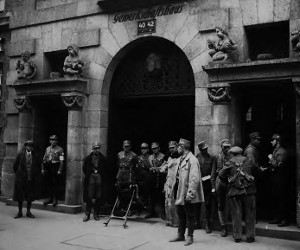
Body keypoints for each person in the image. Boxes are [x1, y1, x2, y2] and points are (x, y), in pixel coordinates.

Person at [169, 138, 204, 246]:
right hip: (180, 192)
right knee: (181, 215)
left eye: (179, 146)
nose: (177, 148)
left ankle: (190, 236)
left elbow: (194, 179)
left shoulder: (192, 160)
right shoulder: (181, 158)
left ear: (183, 148)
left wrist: (190, 194)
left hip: (187, 193)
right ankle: (180, 235)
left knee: (190, 215)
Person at [219, 146, 256, 243]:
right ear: (241, 152)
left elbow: (221, 174)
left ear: (232, 153)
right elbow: (256, 171)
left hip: (235, 191)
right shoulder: (249, 160)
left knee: (236, 215)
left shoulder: (229, 162)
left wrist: (228, 181)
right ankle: (250, 236)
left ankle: (237, 236)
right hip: (249, 191)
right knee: (250, 214)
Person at [82, 142, 108, 222]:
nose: (96, 150)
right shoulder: (88, 158)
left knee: (98, 196)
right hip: (91, 177)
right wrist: (89, 174)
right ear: (92, 149)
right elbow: (84, 168)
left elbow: (106, 169)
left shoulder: (103, 158)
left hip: (99, 177)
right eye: (95, 148)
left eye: (97, 148)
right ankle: (88, 213)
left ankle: (96, 213)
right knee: (89, 196)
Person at [268, 134, 289, 227]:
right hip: (275, 177)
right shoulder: (275, 150)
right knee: (276, 198)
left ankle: (285, 219)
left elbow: (278, 165)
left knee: (282, 198)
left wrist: (271, 158)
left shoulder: (282, 151)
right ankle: (278, 217)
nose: (271, 142)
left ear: (278, 141)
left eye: (273, 140)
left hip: (280, 178)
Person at [196, 140, 216, 234]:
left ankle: (208, 224)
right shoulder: (197, 158)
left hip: (208, 184)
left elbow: (213, 172)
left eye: (206, 148)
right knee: (197, 204)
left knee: (208, 204)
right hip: (198, 184)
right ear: (200, 150)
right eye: (204, 149)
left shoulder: (212, 157)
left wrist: (212, 186)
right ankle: (197, 222)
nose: (205, 150)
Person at [13, 140, 36, 219]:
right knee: (20, 196)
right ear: (25, 146)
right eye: (28, 146)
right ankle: (20, 212)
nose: (30, 147)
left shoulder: (34, 155)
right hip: (21, 178)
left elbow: (36, 166)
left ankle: (28, 212)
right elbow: (15, 165)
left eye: (31, 146)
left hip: (30, 178)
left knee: (29, 196)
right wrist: (19, 175)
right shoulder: (20, 154)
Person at [115, 140, 139, 213]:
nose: (126, 148)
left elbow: (135, 166)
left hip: (129, 174)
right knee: (119, 189)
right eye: (125, 146)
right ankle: (121, 207)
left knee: (129, 192)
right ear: (123, 147)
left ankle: (129, 208)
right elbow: (118, 164)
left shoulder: (134, 155)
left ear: (130, 147)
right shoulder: (119, 154)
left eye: (128, 146)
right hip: (121, 173)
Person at [41, 135, 64, 207]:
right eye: (52, 140)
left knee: (55, 184)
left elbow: (61, 160)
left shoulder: (60, 149)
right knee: (49, 183)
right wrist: (42, 168)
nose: (53, 141)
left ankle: (55, 199)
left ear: (57, 141)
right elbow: (44, 159)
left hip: (55, 167)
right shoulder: (47, 149)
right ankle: (50, 198)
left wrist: (60, 169)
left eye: (55, 140)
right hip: (48, 166)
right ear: (50, 141)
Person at [214, 139, 231, 237]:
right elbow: (214, 171)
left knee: (229, 204)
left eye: (228, 147)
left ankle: (228, 224)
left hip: (230, 182)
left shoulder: (232, 156)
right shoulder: (218, 157)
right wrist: (213, 185)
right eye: (225, 147)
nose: (227, 149)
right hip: (220, 182)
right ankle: (223, 226)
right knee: (220, 204)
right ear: (222, 147)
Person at [146, 142, 165, 219]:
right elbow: (149, 167)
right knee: (151, 195)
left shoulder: (163, 156)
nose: (154, 150)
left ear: (159, 148)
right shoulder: (150, 157)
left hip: (161, 177)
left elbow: (163, 167)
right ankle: (151, 212)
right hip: (152, 177)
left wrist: (156, 168)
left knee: (161, 196)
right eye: (153, 148)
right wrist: (155, 168)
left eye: (156, 148)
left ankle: (163, 213)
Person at [162, 141, 180, 227]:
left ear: (177, 147)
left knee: (174, 201)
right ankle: (169, 220)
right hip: (168, 181)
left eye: (173, 147)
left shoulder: (180, 157)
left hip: (176, 181)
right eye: (170, 148)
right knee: (167, 201)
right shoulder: (168, 156)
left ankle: (176, 222)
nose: (171, 149)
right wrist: (162, 168)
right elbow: (164, 165)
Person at [136, 142, 151, 210]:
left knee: (147, 193)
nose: (143, 150)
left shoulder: (150, 157)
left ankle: (148, 208)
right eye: (142, 148)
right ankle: (140, 208)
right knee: (139, 193)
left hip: (147, 177)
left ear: (148, 149)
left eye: (145, 148)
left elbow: (150, 167)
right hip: (139, 177)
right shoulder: (138, 157)